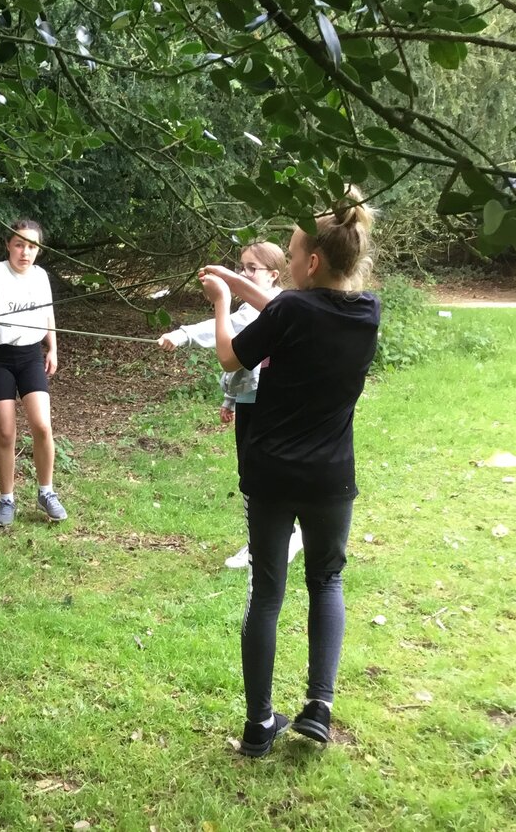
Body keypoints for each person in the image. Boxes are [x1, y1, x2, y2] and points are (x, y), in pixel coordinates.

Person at [198, 189, 380, 757]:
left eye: (294, 252)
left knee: (267, 594)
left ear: (312, 262)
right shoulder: (366, 311)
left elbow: (230, 356)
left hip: (272, 475)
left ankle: (259, 724)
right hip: (331, 478)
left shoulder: (290, 311)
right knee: (326, 581)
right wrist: (236, 278)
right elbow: (285, 307)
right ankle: (318, 707)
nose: (290, 259)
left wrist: (221, 304)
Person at [156, 241, 303, 570]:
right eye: (241, 267)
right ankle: (280, 535)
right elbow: (243, 366)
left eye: (252, 268)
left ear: (273, 275)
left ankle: (265, 543)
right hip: (253, 400)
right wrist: (231, 398)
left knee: (254, 474)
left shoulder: (269, 309)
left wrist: (181, 335)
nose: (244, 273)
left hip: (266, 404)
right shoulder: (270, 307)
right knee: (255, 471)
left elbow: (226, 331)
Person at [0, 219, 67, 526]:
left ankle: (46, 492)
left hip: (31, 357)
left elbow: (47, 314)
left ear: (38, 249)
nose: (25, 252)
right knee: (7, 432)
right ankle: (6, 498)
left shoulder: (41, 276)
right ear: (8, 245)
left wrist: (53, 348)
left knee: (42, 427)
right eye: (19, 244)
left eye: (32, 246)